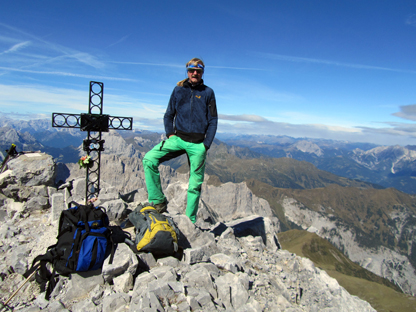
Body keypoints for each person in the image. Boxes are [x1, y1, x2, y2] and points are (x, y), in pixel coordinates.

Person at [142, 57, 218, 223]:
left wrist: (206, 145)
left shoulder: (208, 92)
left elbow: (213, 120)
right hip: (177, 139)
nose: (195, 73)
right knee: (149, 159)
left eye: (198, 71)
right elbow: (169, 114)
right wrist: (170, 134)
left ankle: (189, 221)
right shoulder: (178, 90)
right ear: (187, 72)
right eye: (192, 70)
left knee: (195, 185)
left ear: (202, 72)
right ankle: (158, 201)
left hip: (198, 144)